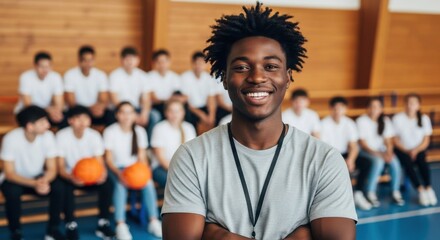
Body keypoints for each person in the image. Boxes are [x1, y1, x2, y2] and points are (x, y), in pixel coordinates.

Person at [162, 2, 357, 239]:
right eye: (242, 67)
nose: (256, 77)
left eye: (271, 66)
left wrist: (216, 234)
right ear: (224, 78)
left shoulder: (324, 160)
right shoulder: (191, 157)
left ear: (287, 77)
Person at [0, 106, 64, 240]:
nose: (47, 125)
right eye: (42, 122)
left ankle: (52, 230)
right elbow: (10, 173)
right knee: (12, 192)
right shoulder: (11, 139)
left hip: (39, 177)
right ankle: (15, 231)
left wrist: (44, 181)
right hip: (17, 179)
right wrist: (34, 184)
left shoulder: (48, 136)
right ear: (30, 126)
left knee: (59, 187)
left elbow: (52, 168)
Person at [103, 102, 162, 239]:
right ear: (117, 115)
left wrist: (144, 172)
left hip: (134, 169)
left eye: (130, 112)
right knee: (120, 184)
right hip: (116, 169)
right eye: (123, 112)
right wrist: (120, 174)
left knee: (148, 183)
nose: (126, 116)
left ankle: (153, 220)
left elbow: (142, 157)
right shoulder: (110, 131)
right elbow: (109, 160)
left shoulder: (140, 131)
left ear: (135, 115)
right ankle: (120, 224)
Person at [55, 106, 115, 239]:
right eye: (78, 118)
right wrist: (71, 177)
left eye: (85, 118)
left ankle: (103, 222)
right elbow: (60, 166)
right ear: (70, 120)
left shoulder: (94, 135)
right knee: (64, 187)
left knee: (108, 184)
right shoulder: (61, 136)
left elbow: (100, 162)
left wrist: (102, 174)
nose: (82, 122)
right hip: (71, 175)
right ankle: (71, 224)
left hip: (91, 175)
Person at [320, 96, 372, 210]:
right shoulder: (323, 124)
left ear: (345, 109)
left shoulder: (349, 123)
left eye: (341, 108)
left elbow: (354, 146)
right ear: (330, 109)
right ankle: (341, 199)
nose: (338, 111)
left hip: (345, 154)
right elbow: (324, 148)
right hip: (329, 156)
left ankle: (358, 193)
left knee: (366, 163)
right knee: (339, 169)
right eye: (335, 108)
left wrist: (351, 160)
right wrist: (341, 161)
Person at [356, 97, 404, 207]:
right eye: (372, 107)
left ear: (381, 109)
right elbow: (363, 144)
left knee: (395, 162)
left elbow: (388, 141)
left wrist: (389, 152)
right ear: (367, 108)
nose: (374, 109)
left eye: (377, 107)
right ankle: (370, 192)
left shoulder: (385, 120)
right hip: (366, 152)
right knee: (378, 162)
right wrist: (379, 155)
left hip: (381, 152)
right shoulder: (361, 121)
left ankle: (395, 191)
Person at [392, 93, 437, 206]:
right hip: (402, 149)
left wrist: (416, 150)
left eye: (413, 103)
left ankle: (428, 188)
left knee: (422, 161)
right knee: (408, 163)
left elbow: (426, 140)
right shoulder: (398, 118)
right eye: (407, 102)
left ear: (418, 105)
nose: (410, 105)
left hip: (418, 149)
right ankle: (420, 189)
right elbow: (395, 140)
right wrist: (407, 151)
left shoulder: (424, 118)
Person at [109, 47, 160, 140]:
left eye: (132, 59)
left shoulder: (143, 76)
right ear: (121, 60)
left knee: (154, 116)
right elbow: (114, 99)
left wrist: (144, 114)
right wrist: (130, 114)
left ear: (138, 60)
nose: (130, 62)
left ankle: (147, 145)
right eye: (127, 59)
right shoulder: (115, 75)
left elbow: (146, 99)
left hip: (136, 109)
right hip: (119, 109)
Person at [151, 99, 197, 188]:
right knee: (179, 183)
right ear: (166, 113)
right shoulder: (159, 128)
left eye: (178, 111)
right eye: (171, 111)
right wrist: (179, 171)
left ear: (183, 112)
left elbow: (193, 153)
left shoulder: (189, 127)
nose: (174, 114)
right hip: (161, 168)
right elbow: (161, 158)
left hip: (185, 167)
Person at [64, 46, 111, 125]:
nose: (88, 64)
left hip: (95, 110)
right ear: (79, 61)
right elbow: (71, 102)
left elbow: (104, 99)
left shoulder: (100, 75)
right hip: (77, 110)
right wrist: (87, 110)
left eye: (91, 60)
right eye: (85, 60)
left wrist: (99, 107)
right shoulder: (70, 75)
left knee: (110, 115)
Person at [15, 52, 64, 126]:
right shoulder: (26, 77)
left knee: (62, 119)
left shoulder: (56, 77)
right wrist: (49, 110)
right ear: (35, 66)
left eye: (48, 66)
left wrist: (56, 112)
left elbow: (59, 103)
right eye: (42, 67)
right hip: (27, 111)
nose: (45, 70)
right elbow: (28, 104)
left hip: (47, 112)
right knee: (33, 121)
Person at [181, 51, 217, 131]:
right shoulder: (185, 77)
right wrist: (201, 115)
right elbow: (187, 101)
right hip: (191, 109)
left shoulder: (208, 78)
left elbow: (211, 98)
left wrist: (212, 115)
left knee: (214, 119)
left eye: (201, 63)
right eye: (197, 63)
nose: (199, 66)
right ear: (192, 64)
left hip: (204, 107)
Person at [148, 49, 184, 116]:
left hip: (171, 105)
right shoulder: (149, 76)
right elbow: (153, 98)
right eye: (159, 62)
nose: (162, 65)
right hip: (156, 106)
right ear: (154, 63)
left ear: (169, 62)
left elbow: (177, 96)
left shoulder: (175, 77)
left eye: (164, 62)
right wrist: (168, 99)